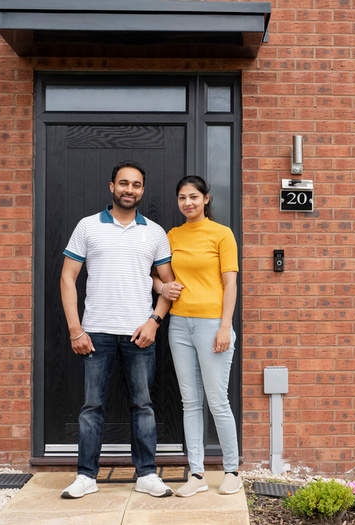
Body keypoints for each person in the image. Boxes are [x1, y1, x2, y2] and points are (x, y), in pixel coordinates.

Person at [59, 160, 174, 499]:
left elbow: (170, 286)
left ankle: (147, 474)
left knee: (143, 405)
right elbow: (67, 278)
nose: (129, 189)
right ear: (112, 186)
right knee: (92, 406)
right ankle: (86, 476)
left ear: (142, 190)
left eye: (136, 185)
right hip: (95, 333)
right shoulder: (87, 226)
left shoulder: (154, 232)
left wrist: (155, 322)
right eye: (124, 183)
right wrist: (75, 329)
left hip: (140, 333)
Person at [156, 175, 242, 497]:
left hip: (211, 325)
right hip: (179, 324)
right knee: (190, 402)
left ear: (206, 199)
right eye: (182, 198)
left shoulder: (222, 234)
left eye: (193, 197)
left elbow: (230, 284)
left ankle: (232, 470)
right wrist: (163, 287)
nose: (187, 203)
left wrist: (225, 326)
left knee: (218, 401)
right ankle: (197, 474)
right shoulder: (172, 235)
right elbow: (157, 278)